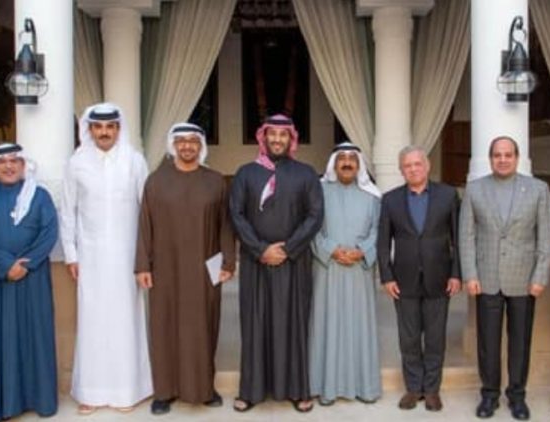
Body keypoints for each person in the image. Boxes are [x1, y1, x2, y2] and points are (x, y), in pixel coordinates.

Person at [135, 122, 236, 415]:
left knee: (203, 326)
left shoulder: (215, 181)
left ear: (200, 146)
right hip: (164, 268)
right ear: (173, 145)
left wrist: (229, 262)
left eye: (193, 141)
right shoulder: (155, 181)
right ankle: (164, 392)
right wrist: (142, 265)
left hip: (205, 267)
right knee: (164, 327)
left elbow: (226, 225)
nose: (187, 146)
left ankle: (204, 389)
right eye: (182, 141)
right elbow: (144, 225)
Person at [60, 103, 152, 414]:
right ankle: (91, 393)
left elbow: (147, 212)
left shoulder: (134, 161)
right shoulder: (76, 163)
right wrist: (71, 254)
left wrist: (146, 257)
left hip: (128, 257)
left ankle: (128, 392)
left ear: (118, 129)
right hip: (91, 257)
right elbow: (68, 211)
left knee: (126, 322)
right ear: (89, 129)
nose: (104, 132)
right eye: (98, 127)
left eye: (110, 126)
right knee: (93, 323)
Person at [230, 114, 324, 413]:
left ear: (291, 139)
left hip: (293, 262)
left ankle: (297, 390)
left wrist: (288, 248)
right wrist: (260, 249)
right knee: (255, 325)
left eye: (284, 135)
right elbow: (236, 215)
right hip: (255, 261)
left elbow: (315, 215)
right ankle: (251, 391)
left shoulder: (306, 174)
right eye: (272, 134)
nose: (277, 140)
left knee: (293, 325)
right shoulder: (245, 173)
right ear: (263, 137)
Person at [459, 137, 550, 420]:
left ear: (517, 157)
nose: (503, 160)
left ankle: (517, 396)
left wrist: (540, 275)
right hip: (486, 278)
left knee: (520, 342)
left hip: (524, 280)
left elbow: (546, 236)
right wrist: (470, 274)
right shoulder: (475, 189)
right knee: (488, 343)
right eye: (497, 155)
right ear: (491, 158)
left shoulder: (538, 189)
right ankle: (489, 395)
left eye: (508, 155)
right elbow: (466, 236)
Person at [0, 144, 58, 422]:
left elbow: (49, 232)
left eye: (14, 161)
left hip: (34, 277)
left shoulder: (40, 196)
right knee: (1, 339)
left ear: (23, 166)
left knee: (37, 336)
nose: (9, 166)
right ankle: (7, 405)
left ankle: (42, 401)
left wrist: (26, 264)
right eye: (2, 162)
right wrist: (5, 265)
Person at [377, 145, 461, 412]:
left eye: (417, 164)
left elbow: (458, 238)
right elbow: (382, 243)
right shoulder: (390, 200)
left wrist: (456, 273)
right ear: (401, 170)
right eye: (407, 165)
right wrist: (386, 276)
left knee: (435, 338)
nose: (413, 169)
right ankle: (413, 388)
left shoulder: (448, 195)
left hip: (440, 277)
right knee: (409, 338)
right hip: (403, 280)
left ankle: (432, 390)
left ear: (427, 166)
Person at [309, 142, 382, 406]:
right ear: (334, 163)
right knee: (326, 325)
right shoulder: (318, 192)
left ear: (359, 164)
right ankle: (325, 387)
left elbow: (379, 230)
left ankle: (364, 387)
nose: (347, 162)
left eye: (352, 158)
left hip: (359, 272)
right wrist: (331, 250)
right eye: (342, 158)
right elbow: (311, 227)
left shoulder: (373, 196)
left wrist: (362, 251)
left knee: (359, 327)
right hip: (327, 269)